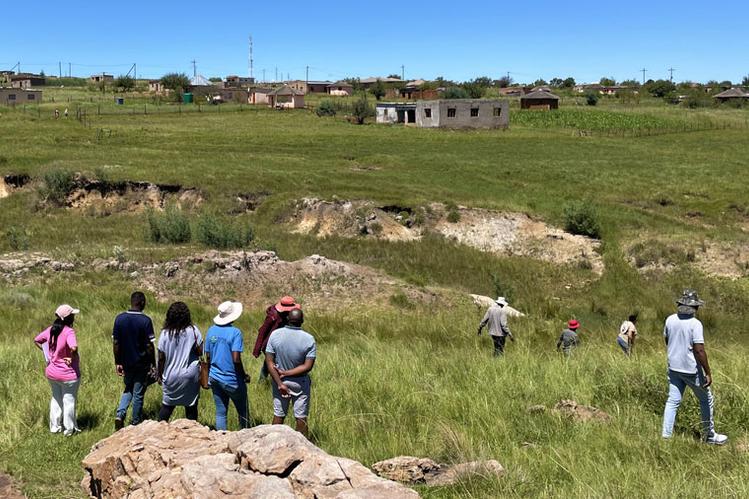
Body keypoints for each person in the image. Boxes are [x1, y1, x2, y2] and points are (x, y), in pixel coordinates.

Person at [661, 290, 727, 444]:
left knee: (672, 401)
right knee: (706, 399)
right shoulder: (695, 324)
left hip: (674, 367)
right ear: (695, 307)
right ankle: (709, 436)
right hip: (691, 369)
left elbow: (667, 339)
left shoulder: (670, 319)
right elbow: (699, 350)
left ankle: (666, 436)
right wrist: (708, 372)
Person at [265, 308, 316, 437]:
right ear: (302, 321)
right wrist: (287, 373)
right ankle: (303, 447)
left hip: (279, 381)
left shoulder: (275, 334)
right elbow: (307, 366)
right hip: (300, 382)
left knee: (279, 414)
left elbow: (269, 362)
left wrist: (280, 382)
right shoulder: (309, 339)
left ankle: (272, 442)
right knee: (301, 417)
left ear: (287, 319)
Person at [34, 304, 81, 436]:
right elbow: (74, 347)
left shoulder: (51, 330)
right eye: (72, 315)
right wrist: (71, 357)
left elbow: (37, 340)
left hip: (52, 372)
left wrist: (48, 356)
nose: (74, 317)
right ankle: (69, 429)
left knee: (56, 398)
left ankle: (55, 427)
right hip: (68, 374)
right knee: (69, 400)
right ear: (68, 318)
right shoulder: (69, 331)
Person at [113, 291, 156, 430]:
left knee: (128, 388)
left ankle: (120, 414)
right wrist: (153, 364)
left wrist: (117, 362)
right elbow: (150, 345)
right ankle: (135, 423)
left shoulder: (119, 319)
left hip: (126, 362)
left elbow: (116, 343)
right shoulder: (145, 320)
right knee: (138, 393)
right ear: (142, 303)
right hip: (141, 363)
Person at [205, 301, 250, 430]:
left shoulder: (211, 330)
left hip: (214, 377)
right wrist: (243, 376)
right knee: (243, 412)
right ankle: (245, 438)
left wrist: (208, 376)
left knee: (220, 413)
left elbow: (208, 356)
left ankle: (221, 440)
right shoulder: (235, 332)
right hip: (232, 379)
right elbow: (236, 359)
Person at [157, 302, 203, 422]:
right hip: (190, 376)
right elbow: (200, 352)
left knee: (167, 407)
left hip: (171, 375)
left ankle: (159, 431)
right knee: (191, 408)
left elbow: (161, 357)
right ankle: (193, 434)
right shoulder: (193, 330)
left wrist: (159, 374)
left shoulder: (165, 333)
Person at [253, 296, 301, 380]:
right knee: (273, 363)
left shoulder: (289, 316)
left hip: (283, 343)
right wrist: (257, 349)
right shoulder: (273, 316)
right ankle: (278, 381)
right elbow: (262, 331)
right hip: (271, 343)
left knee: (269, 363)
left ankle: (263, 380)